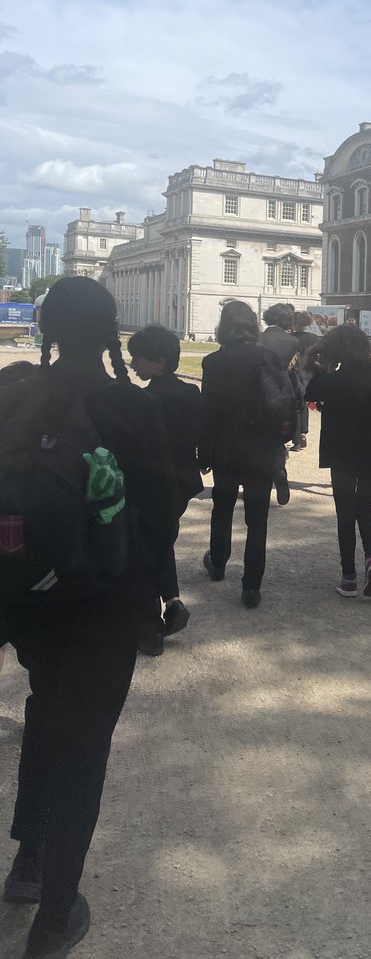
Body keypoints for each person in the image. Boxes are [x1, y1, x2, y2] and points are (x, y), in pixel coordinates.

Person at [0, 277, 174, 958]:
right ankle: (55, 913)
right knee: (85, 744)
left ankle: (27, 863)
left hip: (23, 595)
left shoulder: (13, 390)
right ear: (110, 332)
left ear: (46, 329)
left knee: (47, 709)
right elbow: (161, 514)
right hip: (104, 599)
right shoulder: (128, 406)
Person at [199, 301, 289, 608]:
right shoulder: (269, 357)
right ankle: (251, 584)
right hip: (260, 446)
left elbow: (207, 412)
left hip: (225, 446)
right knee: (257, 519)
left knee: (222, 508)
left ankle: (219, 561)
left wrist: (203, 450)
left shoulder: (212, 362)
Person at [127, 324, 203, 655]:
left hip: (151, 484)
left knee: (144, 554)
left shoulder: (145, 400)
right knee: (160, 542)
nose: (132, 365)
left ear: (158, 361)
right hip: (182, 483)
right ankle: (172, 602)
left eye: (138, 359)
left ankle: (150, 631)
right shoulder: (190, 394)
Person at [303, 324, 371, 598]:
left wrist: (316, 360)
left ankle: (349, 576)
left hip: (341, 453)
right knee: (366, 508)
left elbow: (308, 394)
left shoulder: (332, 380)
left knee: (345, 513)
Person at [259, 304, 303, 504]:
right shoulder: (292, 341)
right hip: (283, 391)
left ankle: (261, 480)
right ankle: (279, 470)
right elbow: (294, 370)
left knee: (258, 437)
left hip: (260, 391)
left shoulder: (257, 339)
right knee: (277, 438)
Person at [289, 311, 319, 451]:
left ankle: (296, 438)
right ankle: (303, 432)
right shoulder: (314, 338)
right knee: (305, 402)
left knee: (295, 404)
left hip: (294, 372)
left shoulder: (289, 338)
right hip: (309, 373)